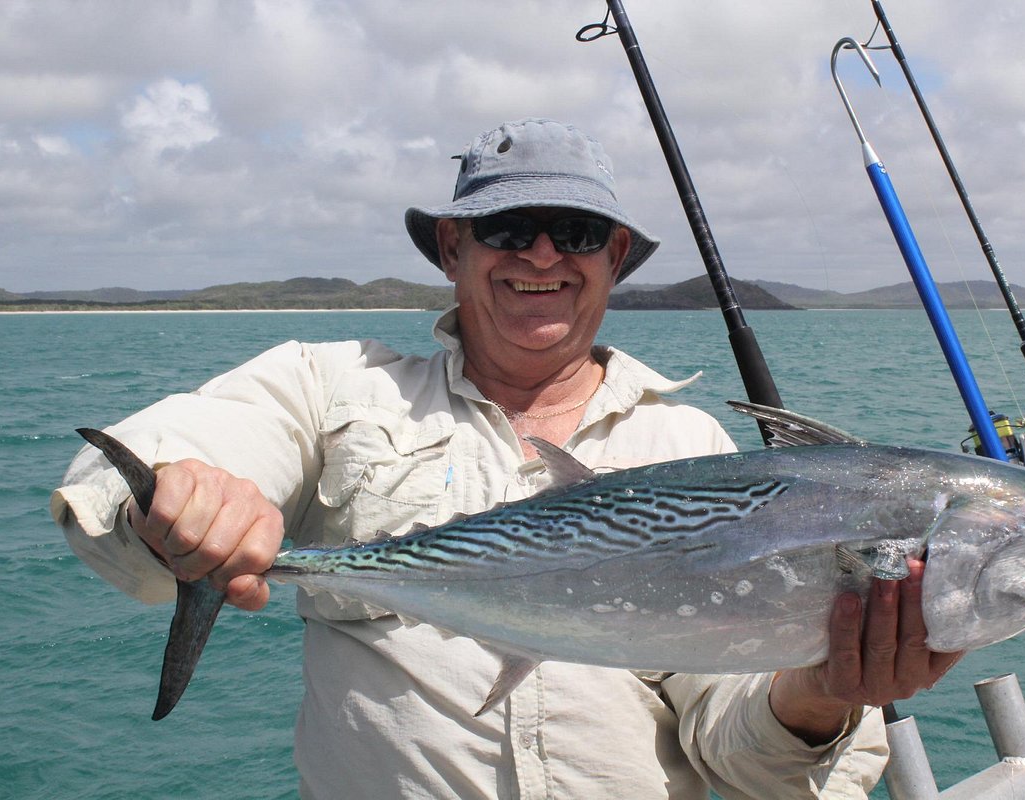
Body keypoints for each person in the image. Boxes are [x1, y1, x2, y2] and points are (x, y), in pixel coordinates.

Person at [52, 117, 958, 799]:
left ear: (613, 259)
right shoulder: (335, 391)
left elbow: (738, 755)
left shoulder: (693, 452)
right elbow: (176, 455)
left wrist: (820, 694)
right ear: (453, 248)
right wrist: (177, 499)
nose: (540, 254)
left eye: (572, 232)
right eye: (508, 227)